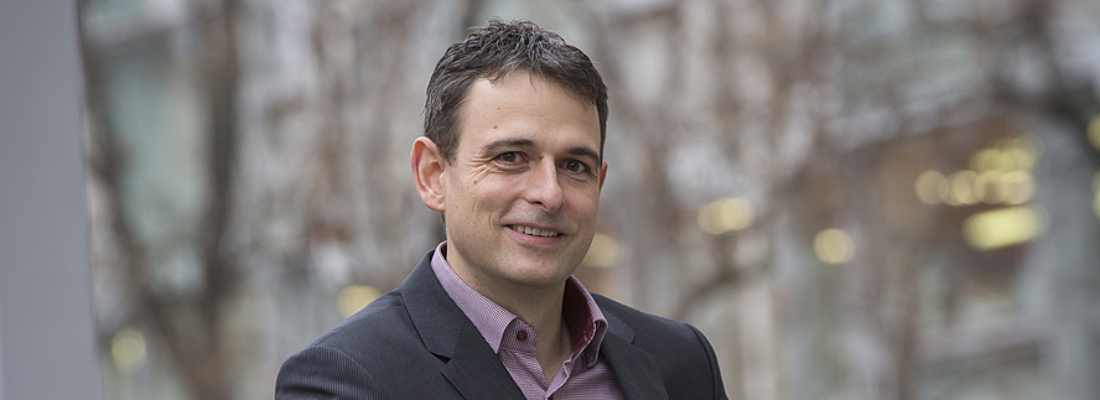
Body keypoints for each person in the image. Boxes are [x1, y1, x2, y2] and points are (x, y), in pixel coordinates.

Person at [275, 19, 727, 400]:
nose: (550, 194)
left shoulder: (681, 362)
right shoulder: (344, 378)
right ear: (432, 175)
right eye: (510, 157)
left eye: (574, 165)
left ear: (600, 184)